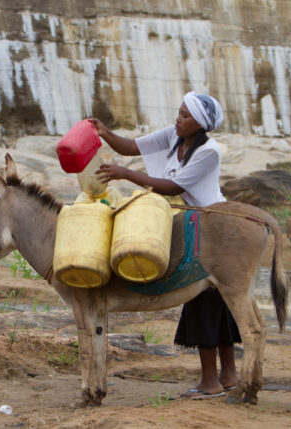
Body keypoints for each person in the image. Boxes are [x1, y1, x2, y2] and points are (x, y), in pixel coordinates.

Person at [89, 91, 239, 399]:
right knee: (215, 299)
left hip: (210, 224)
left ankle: (210, 382)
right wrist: (104, 132)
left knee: (202, 297)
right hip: (193, 222)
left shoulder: (208, 151)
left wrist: (126, 174)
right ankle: (228, 375)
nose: (178, 118)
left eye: (185, 116)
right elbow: (131, 147)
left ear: (200, 124)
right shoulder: (174, 136)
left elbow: (174, 186)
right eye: (179, 112)